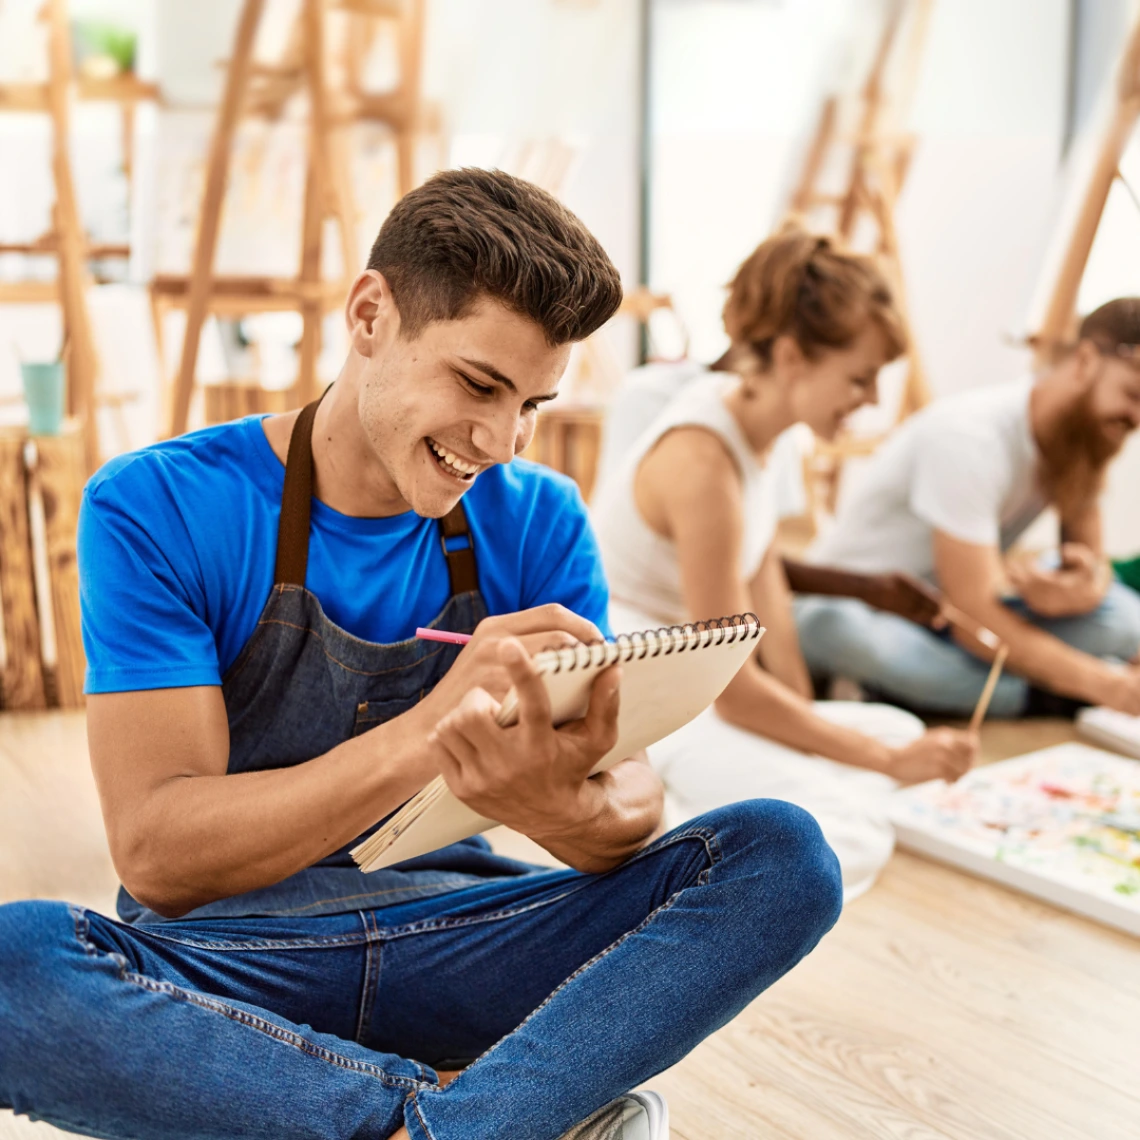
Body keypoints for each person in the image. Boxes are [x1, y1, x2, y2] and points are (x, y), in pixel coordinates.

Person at [0, 171, 844, 1140]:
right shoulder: (158, 507)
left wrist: (564, 807)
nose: (498, 438)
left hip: (463, 941)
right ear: (370, 315)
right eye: (478, 384)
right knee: (13, 967)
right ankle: (493, 1113)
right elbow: (159, 858)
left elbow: (630, 806)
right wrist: (425, 737)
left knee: (784, 857)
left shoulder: (538, 522)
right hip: (231, 963)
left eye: (531, 402)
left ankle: (414, 1119)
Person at [591, 226, 978, 900]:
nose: (868, 398)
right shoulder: (702, 459)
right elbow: (735, 693)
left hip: (698, 683)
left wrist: (804, 716)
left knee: (895, 729)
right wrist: (876, 760)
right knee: (853, 831)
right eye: (859, 378)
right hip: (652, 704)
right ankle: (658, 836)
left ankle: (728, 801)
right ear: (795, 357)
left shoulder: (766, 435)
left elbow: (760, 583)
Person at [795, 298, 1140, 719]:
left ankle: (992, 685)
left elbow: (1091, 564)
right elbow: (975, 618)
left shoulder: (1083, 439)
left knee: (1126, 619)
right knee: (845, 634)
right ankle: (1036, 697)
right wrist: (1105, 685)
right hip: (866, 608)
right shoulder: (970, 438)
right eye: (1132, 394)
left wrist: (1083, 586)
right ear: (1085, 360)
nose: (1135, 417)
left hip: (949, 617)